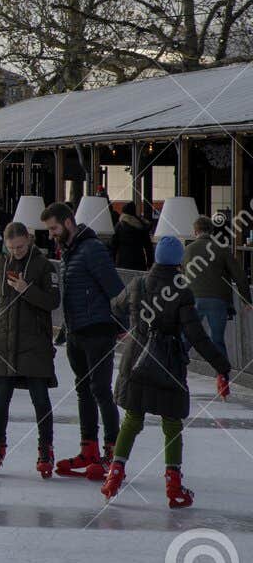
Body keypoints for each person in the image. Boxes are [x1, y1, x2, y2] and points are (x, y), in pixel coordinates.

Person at [102, 235, 233, 507]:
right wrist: (222, 366)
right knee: (172, 425)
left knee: (132, 420)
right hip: (168, 365)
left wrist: (124, 327)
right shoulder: (182, 291)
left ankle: (114, 475)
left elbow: (115, 305)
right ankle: (173, 486)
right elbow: (196, 336)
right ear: (179, 262)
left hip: (136, 360)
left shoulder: (137, 284)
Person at [42, 200, 126, 480]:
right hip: (77, 332)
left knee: (101, 390)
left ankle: (113, 454)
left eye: (54, 228)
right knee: (83, 390)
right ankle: (88, 448)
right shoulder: (69, 252)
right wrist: (66, 329)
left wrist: (121, 325)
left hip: (99, 331)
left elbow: (116, 289)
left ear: (68, 223)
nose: (51, 234)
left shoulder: (92, 250)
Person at [0, 222, 59, 477]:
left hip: (35, 344)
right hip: (5, 343)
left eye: (21, 246)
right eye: (12, 248)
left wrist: (27, 290)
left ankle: (45, 448)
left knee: (40, 399)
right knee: (0, 399)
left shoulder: (44, 266)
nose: (16, 252)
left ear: (29, 240)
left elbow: (52, 302)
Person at [184, 215, 246, 352]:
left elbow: (182, 276)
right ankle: (221, 372)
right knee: (217, 339)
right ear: (212, 231)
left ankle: (175, 366)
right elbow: (239, 275)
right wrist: (246, 300)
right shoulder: (221, 248)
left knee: (188, 336)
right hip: (218, 300)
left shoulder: (188, 249)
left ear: (195, 231)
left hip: (193, 299)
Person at [110, 201, 151, 270]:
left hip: (122, 263)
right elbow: (148, 247)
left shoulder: (119, 226)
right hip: (139, 263)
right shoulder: (141, 226)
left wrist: (111, 263)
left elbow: (113, 246)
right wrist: (150, 263)